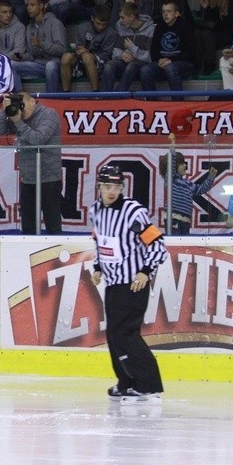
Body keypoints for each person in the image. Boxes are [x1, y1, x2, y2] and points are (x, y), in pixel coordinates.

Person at [90, 164, 168, 404]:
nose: (111, 191)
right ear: (99, 188)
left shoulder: (133, 212)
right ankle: (126, 383)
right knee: (114, 335)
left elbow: (156, 244)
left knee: (125, 334)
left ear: (122, 187)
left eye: (116, 186)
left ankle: (149, 384)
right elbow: (99, 241)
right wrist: (97, 267)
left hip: (133, 283)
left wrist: (146, 272)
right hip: (112, 284)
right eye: (106, 186)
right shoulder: (96, 211)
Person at [0, 92, 62, 233]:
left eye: (22, 105)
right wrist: (4, 109)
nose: (21, 109)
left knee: (52, 223)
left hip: (49, 178)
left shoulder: (49, 114)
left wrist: (18, 122)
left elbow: (38, 139)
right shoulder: (18, 116)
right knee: (28, 225)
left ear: (32, 102)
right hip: (28, 179)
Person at [11, 0, 66, 91]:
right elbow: (31, 55)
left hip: (55, 63)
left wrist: (41, 43)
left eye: (32, 5)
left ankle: (52, 101)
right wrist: (21, 57)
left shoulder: (55, 23)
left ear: (41, 6)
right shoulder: (29, 27)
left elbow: (61, 49)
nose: (28, 8)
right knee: (12, 64)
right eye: (27, 5)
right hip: (38, 65)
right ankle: (20, 97)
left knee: (50, 66)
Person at [140, 0, 198, 93]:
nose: (165, 14)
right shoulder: (159, 26)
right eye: (163, 11)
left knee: (170, 68)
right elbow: (153, 50)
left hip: (183, 63)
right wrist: (159, 60)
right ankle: (152, 103)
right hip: (163, 63)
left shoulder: (185, 26)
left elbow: (191, 52)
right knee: (145, 70)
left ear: (176, 13)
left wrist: (171, 61)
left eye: (169, 11)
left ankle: (177, 103)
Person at [159, 147, 217, 235]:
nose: (185, 166)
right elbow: (172, 163)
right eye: (182, 164)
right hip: (173, 218)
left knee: (183, 245)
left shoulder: (187, 183)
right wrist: (173, 145)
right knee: (175, 244)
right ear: (173, 166)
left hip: (186, 220)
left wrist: (211, 177)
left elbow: (201, 189)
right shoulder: (171, 179)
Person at [60, 5, 118, 92]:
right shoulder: (82, 28)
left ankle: (96, 94)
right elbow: (78, 49)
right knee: (66, 57)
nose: (101, 27)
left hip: (101, 63)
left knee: (87, 57)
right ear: (92, 19)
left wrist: (88, 52)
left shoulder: (112, 32)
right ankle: (65, 95)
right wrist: (80, 51)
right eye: (98, 23)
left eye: (104, 24)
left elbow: (107, 55)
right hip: (81, 59)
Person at [101, 2, 156, 92]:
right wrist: (122, 54)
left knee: (131, 66)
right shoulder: (120, 27)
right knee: (109, 66)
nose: (120, 20)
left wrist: (133, 48)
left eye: (123, 17)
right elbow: (115, 50)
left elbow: (149, 56)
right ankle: (104, 99)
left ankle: (119, 95)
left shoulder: (150, 29)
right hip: (124, 62)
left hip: (141, 64)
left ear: (132, 17)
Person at [194, 0, 233, 73]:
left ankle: (210, 65)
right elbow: (207, 21)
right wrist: (205, 9)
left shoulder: (230, 0)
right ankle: (198, 64)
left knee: (206, 34)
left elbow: (228, 25)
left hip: (226, 33)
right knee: (197, 33)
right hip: (214, 31)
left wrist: (210, 10)